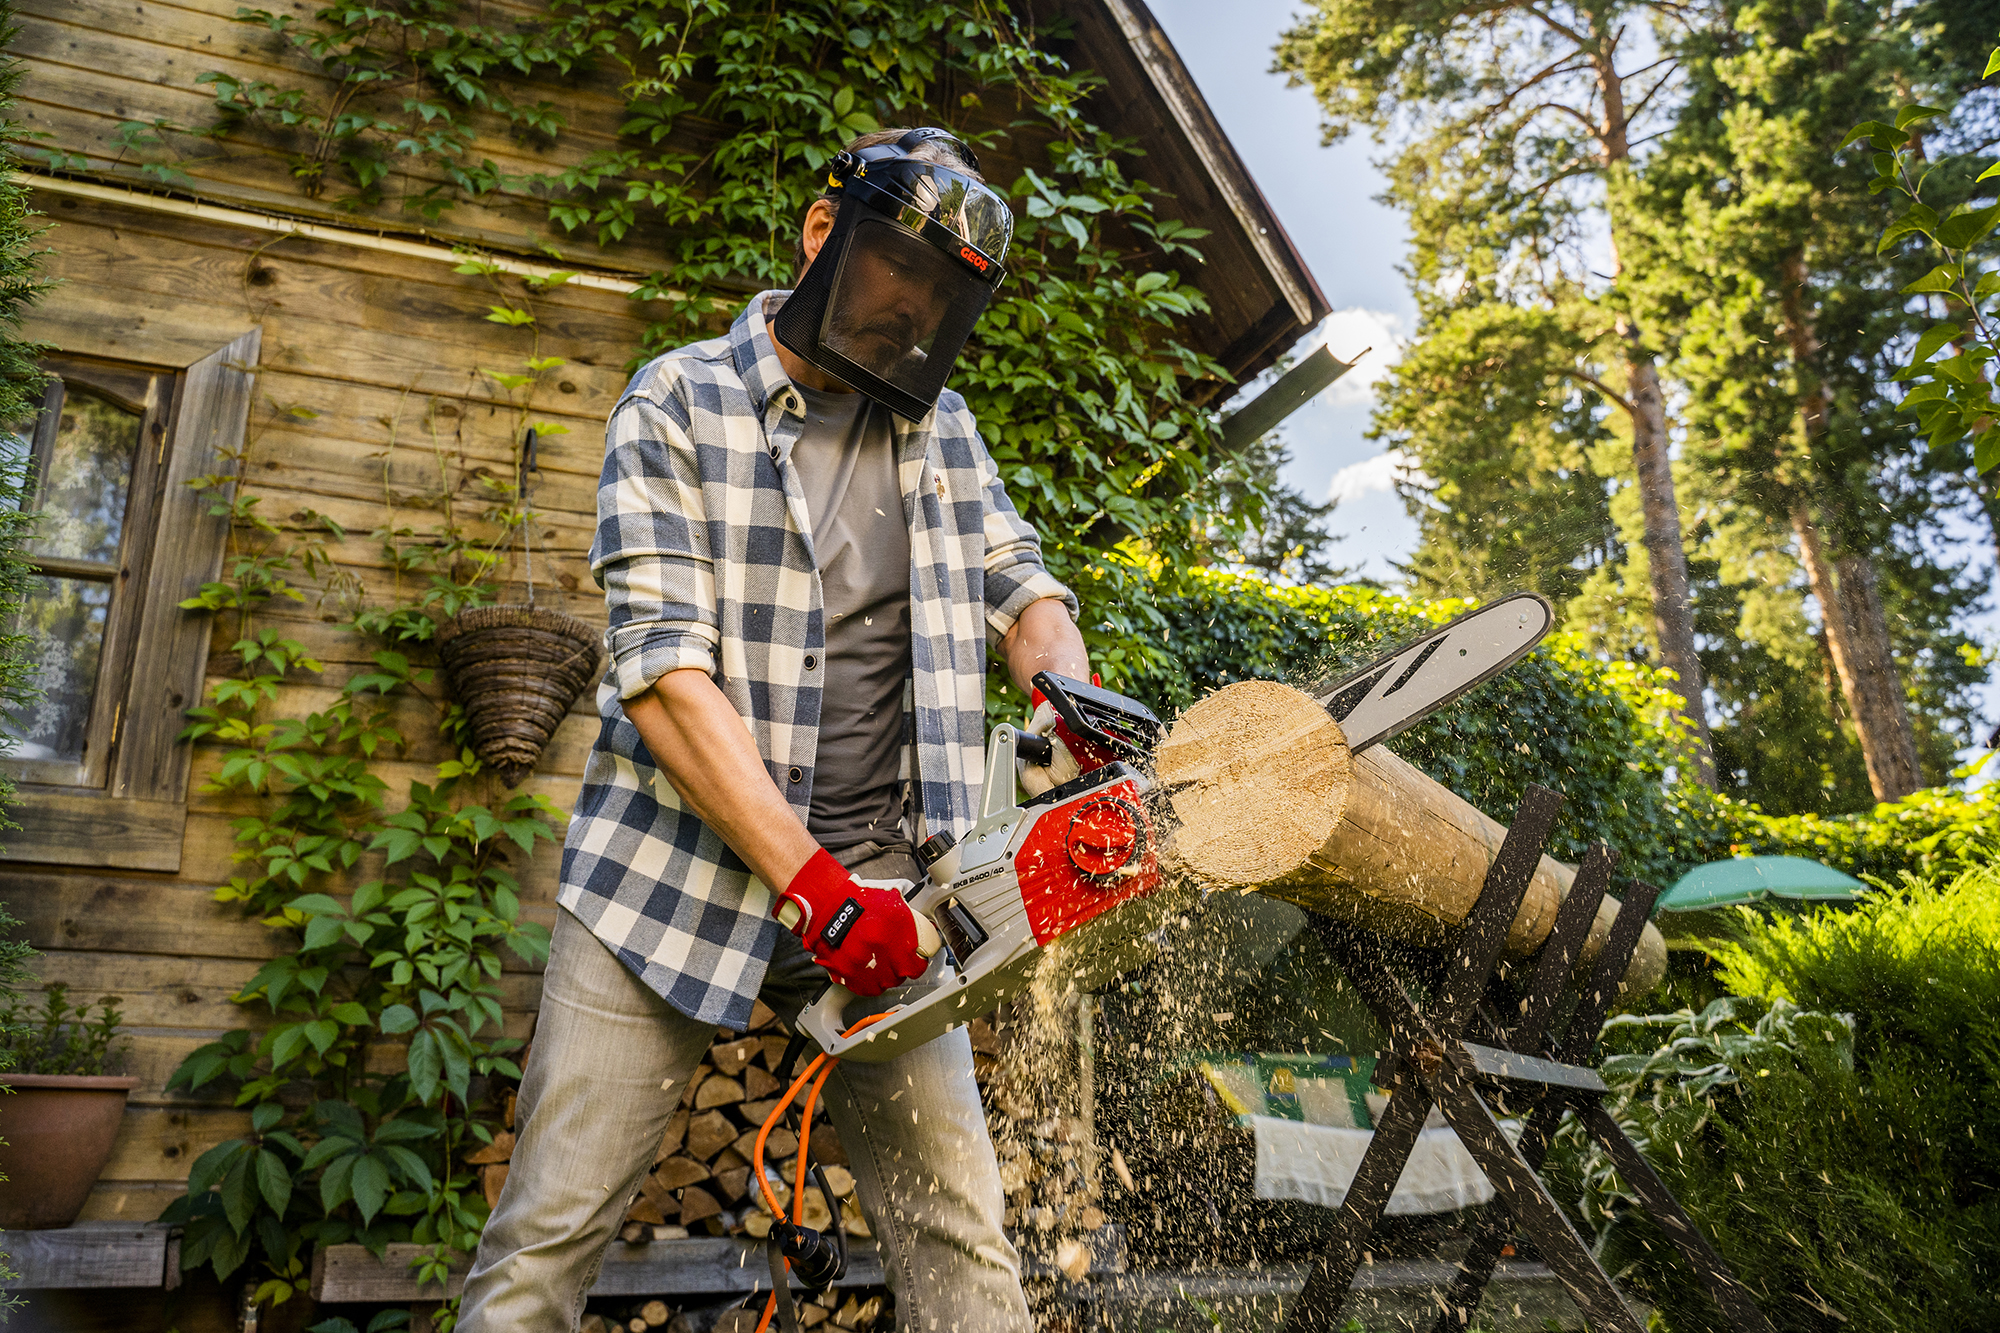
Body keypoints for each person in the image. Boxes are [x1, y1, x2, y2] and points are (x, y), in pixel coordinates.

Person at [460, 127, 1102, 1332]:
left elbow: (1024, 588)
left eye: (929, 310)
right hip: (669, 883)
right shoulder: (677, 398)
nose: (899, 328)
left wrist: (1068, 696)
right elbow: (660, 676)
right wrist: (808, 884)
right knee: (544, 1237)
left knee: (964, 1248)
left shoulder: (939, 424)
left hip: (881, 889)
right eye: (884, 291)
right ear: (823, 238)